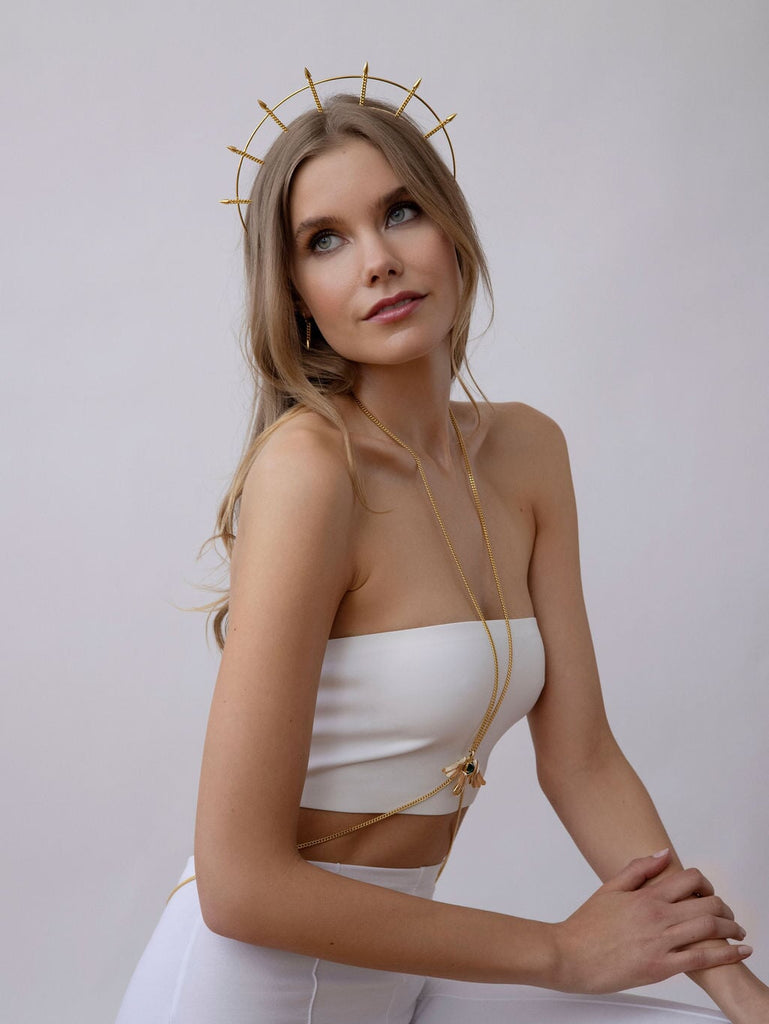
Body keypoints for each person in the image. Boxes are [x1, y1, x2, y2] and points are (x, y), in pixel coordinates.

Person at [115, 80, 769, 1024]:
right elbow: (239, 885)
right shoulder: (309, 472)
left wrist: (740, 992)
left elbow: (582, 759)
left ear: (452, 231)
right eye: (325, 240)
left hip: (395, 985)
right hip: (244, 994)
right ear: (295, 296)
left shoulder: (527, 450)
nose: (378, 261)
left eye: (400, 212)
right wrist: (561, 953)